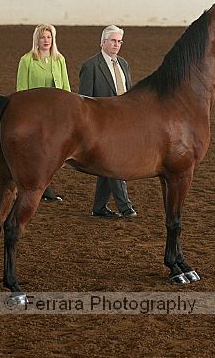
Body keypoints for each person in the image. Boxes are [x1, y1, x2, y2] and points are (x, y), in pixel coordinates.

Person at [78, 25, 137, 219]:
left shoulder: (124, 64)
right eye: (113, 40)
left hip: (123, 123)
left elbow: (128, 94)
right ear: (102, 42)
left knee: (107, 164)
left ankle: (99, 207)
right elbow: (84, 100)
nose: (116, 44)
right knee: (114, 162)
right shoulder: (90, 66)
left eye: (119, 41)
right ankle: (125, 207)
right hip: (101, 126)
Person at [16, 23, 71, 202]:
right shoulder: (27, 60)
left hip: (54, 115)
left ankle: (44, 186)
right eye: (42, 37)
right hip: (35, 114)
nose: (46, 41)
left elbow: (66, 88)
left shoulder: (59, 59)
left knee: (50, 153)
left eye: (49, 37)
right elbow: (21, 90)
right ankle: (35, 187)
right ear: (36, 40)